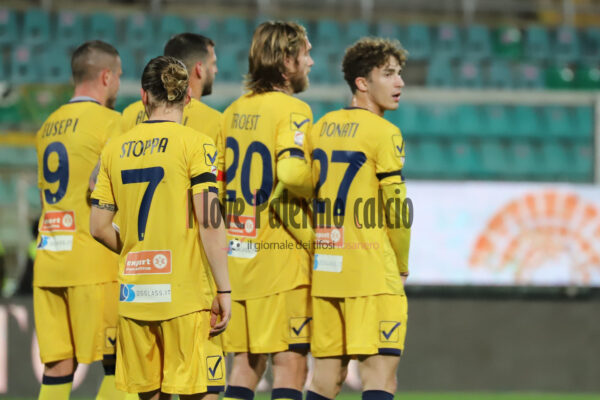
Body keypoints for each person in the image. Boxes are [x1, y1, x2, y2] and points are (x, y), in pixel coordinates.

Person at [90, 55, 231, 400]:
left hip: (136, 296)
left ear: (143, 96)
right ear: (187, 96)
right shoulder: (196, 144)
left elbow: (98, 227)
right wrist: (224, 289)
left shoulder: (114, 149)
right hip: (184, 296)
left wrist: (137, 251)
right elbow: (209, 221)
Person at [305, 37, 411, 400]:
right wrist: (401, 263)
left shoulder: (321, 127)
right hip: (371, 274)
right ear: (362, 83)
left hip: (327, 272)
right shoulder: (385, 132)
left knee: (324, 382)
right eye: (389, 74)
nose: (399, 82)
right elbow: (397, 210)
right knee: (380, 380)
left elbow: (301, 193)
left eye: (399, 74)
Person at [218, 21, 314, 400]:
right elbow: (290, 172)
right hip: (280, 262)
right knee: (291, 364)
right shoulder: (294, 109)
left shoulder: (231, 113)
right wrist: (321, 181)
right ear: (286, 61)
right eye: (305, 54)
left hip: (239, 260)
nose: (311, 62)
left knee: (246, 365)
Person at [33, 40, 126, 400]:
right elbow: (96, 184)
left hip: (49, 261)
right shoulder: (112, 122)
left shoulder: (47, 126)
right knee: (121, 364)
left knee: (57, 368)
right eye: (118, 76)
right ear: (106, 76)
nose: (119, 83)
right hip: (93, 262)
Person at [121, 33, 221, 142]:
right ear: (199, 68)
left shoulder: (129, 113)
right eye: (213, 63)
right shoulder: (216, 121)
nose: (216, 70)